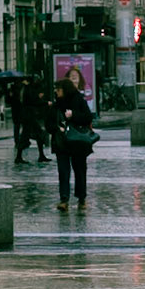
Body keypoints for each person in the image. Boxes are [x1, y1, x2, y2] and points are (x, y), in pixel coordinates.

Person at [51, 72, 95, 211]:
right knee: (63, 172)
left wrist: (73, 115)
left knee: (80, 171)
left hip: (77, 142)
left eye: (58, 90)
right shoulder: (56, 104)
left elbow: (88, 117)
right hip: (61, 142)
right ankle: (64, 199)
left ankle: (81, 199)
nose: (56, 92)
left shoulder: (78, 99)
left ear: (65, 89)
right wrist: (57, 128)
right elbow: (48, 124)